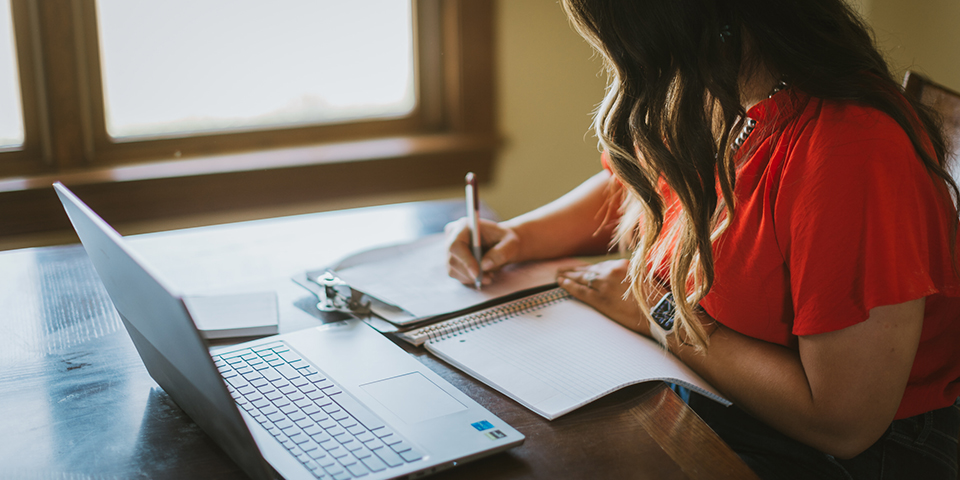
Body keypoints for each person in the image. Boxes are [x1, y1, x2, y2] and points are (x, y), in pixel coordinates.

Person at [444, 1, 960, 479]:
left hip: (858, 453)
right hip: (723, 397)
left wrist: (661, 314)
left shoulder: (851, 149)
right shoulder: (726, 85)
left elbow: (842, 423)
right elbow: (643, 184)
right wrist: (516, 235)